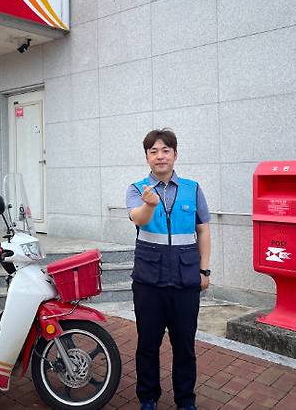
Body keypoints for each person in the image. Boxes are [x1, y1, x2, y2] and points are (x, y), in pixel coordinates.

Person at [126, 128, 211, 410]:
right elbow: (137, 218)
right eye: (153, 151)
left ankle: (186, 401)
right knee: (147, 345)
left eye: (165, 150)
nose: (160, 156)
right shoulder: (137, 189)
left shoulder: (193, 188)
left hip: (186, 280)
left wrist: (204, 270)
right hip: (149, 282)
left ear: (175, 154)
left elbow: (204, 230)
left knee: (184, 346)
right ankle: (148, 398)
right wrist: (149, 206)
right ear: (147, 157)